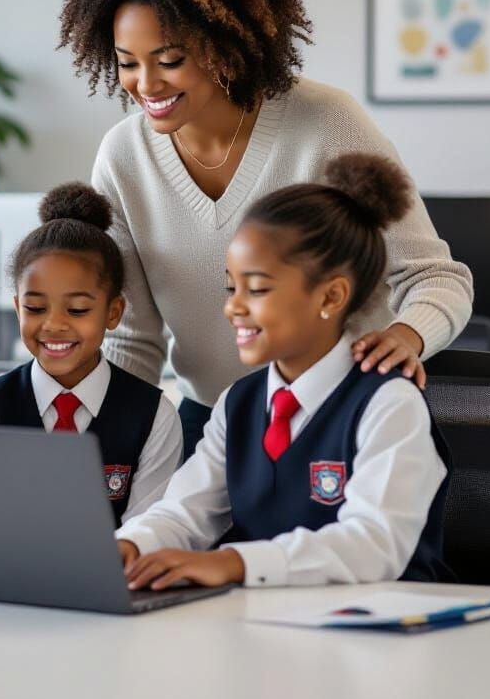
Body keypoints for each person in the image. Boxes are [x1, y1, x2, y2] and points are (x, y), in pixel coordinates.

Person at [54, 0, 473, 459]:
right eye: (128, 62)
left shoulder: (326, 122)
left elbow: (437, 278)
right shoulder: (123, 155)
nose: (145, 83)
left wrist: (407, 335)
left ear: (224, 44)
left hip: (338, 416)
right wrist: (107, 451)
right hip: (209, 426)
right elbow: (135, 337)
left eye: (170, 59)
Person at [116, 153, 453, 590]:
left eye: (256, 289)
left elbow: (374, 544)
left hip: (382, 633)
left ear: (331, 297)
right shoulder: (237, 402)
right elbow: (185, 511)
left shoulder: (389, 403)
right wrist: (131, 545)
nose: (233, 307)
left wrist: (235, 564)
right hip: (267, 627)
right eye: (230, 287)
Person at [0, 182, 182, 525]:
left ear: (113, 312)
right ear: (18, 308)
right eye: (35, 308)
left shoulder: (154, 417)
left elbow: (145, 532)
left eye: (77, 310)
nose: (54, 325)